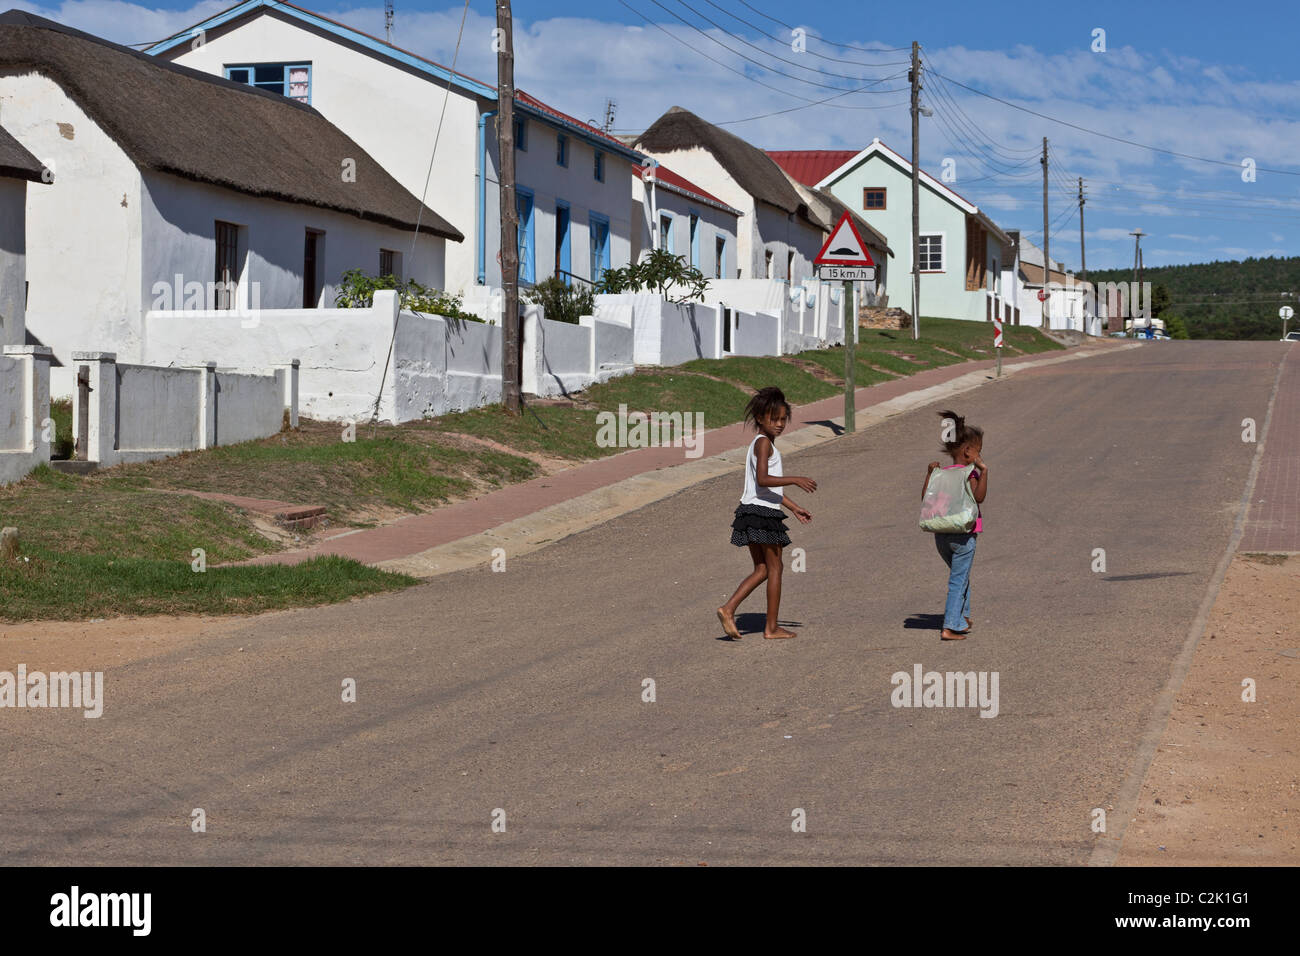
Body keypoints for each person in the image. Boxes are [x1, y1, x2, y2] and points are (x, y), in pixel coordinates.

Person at [717, 387, 816, 641]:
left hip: (751, 511)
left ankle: (728, 609)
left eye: (783, 419)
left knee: (762, 569)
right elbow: (763, 480)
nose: (780, 424)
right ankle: (770, 628)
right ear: (760, 418)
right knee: (775, 568)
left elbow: (763, 489)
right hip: (762, 514)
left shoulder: (761, 444)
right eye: (775, 419)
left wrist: (793, 507)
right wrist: (795, 479)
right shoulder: (763, 444)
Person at [922, 409, 989, 641]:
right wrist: (984, 471)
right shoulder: (970, 473)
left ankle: (963, 616)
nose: (980, 455)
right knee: (958, 578)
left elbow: (926, 499)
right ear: (968, 451)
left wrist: (929, 475)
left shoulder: (941, 473)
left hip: (941, 536)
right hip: (964, 535)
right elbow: (979, 498)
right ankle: (950, 626)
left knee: (960, 575)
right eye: (978, 451)